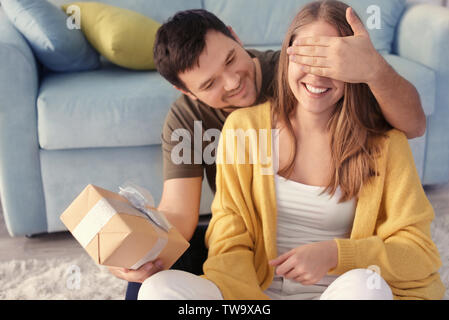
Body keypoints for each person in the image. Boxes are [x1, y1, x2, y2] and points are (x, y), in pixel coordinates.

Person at [107, 6, 428, 299]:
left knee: (365, 286)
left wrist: (373, 69)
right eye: (209, 84)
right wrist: (137, 251)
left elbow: (412, 125)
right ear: (186, 91)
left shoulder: (316, 79)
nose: (233, 82)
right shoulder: (199, 121)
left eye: (232, 59)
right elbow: (182, 214)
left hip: (339, 275)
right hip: (249, 244)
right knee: (149, 285)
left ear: (236, 36)